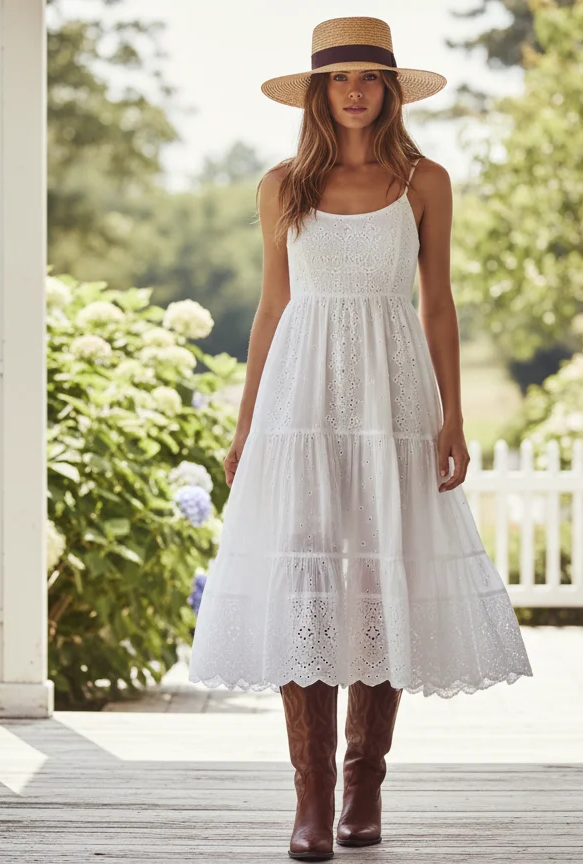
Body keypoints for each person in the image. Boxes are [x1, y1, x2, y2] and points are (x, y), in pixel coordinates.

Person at [187, 16, 533, 861]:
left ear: (389, 89)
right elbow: (272, 308)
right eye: (339, 77)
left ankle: (362, 785)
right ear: (318, 91)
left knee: (382, 575)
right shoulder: (281, 186)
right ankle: (309, 798)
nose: (354, 91)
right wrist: (247, 425)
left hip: (394, 396)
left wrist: (453, 416)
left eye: (369, 77)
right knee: (303, 580)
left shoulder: (425, 180)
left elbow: (438, 303)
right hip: (300, 400)